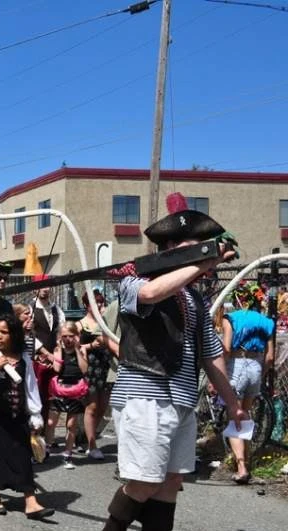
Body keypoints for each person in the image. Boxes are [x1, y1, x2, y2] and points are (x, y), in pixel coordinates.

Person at [103, 199, 245, 531]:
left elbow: (211, 355)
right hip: (146, 397)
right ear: (170, 248)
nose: (203, 253)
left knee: (169, 486)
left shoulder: (195, 299)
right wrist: (205, 261)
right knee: (144, 483)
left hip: (182, 401)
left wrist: (234, 402)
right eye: (195, 246)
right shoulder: (133, 280)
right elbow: (152, 294)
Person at [0, 314, 54, 521]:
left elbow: (30, 386)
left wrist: (36, 415)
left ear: (13, 334)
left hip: (17, 417)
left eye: (4, 332)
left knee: (22, 457)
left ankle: (31, 502)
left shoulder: (23, 357)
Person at [220, 282, 275, 484]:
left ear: (237, 300)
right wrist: (262, 372)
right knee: (245, 415)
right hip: (257, 365)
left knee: (234, 414)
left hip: (237, 363)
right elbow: (270, 357)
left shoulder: (231, 319)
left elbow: (226, 349)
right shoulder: (267, 321)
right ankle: (246, 457)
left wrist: (219, 373)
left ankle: (241, 466)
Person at [44, 321, 88, 470]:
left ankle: (68, 453)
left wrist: (76, 349)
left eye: (71, 336)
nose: (68, 339)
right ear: (60, 337)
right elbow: (57, 368)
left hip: (76, 388)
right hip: (60, 388)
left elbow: (84, 369)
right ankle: (47, 448)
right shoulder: (58, 349)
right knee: (51, 422)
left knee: (71, 424)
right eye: (64, 336)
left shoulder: (81, 350)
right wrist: (60, 350)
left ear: (76, 336)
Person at [78, 289, 115, 460]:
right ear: (86, 305)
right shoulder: (80, 324)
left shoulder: (107, 322)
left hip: (106, 366)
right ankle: (92, 445)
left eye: (101, 302)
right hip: (91, 368)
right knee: (91, 406)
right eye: (95, 302)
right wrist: (88, 347)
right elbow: (76, 347)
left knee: (102, 406)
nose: (99, 305)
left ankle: (87, 436)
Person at [31, 276, 66, 424]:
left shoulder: (56, 309)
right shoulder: (30, 308)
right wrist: (45, 353)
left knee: (52, 396)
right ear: (35, 289)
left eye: (47, 286)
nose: (45, 289)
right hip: (38, 360)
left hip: (54, 360)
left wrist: (57, 354)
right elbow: (29, 336)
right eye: (41, 286)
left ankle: (47, 432)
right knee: (36, 395)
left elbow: (60, 331)